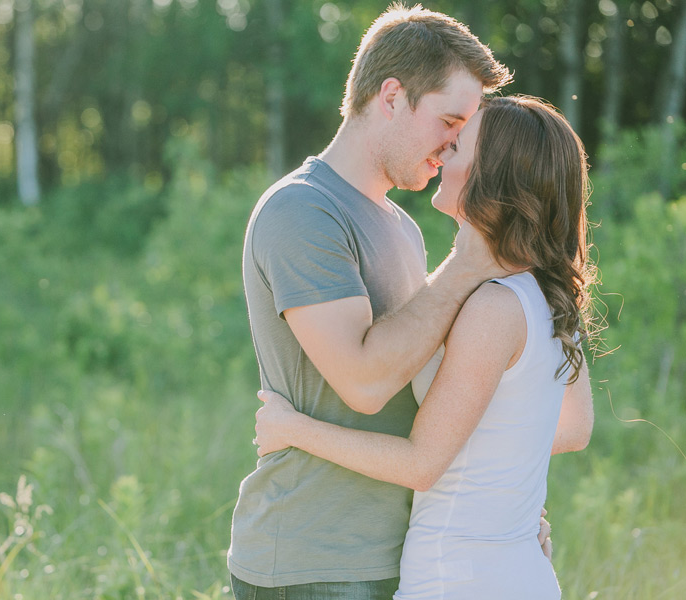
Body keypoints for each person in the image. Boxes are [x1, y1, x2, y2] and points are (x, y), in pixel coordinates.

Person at [254, 94, 596, 599]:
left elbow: (421, 464)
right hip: (512, 569)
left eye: (457, 147)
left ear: (491, 176)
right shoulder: (546, 292)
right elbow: (573, 426)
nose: (442, 155)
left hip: (458, 575)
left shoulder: (492, 309)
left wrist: (294, 429)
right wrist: (500, 486)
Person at [228, 4, 517, 599]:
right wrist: (464, 269)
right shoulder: (302, 212)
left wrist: (499, 522)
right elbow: (363, 384)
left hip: (397, 554)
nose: (454, 145)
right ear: (391, 96)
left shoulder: (403, 227)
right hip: (313, 562)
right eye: (448, 120)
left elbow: (431, 397)